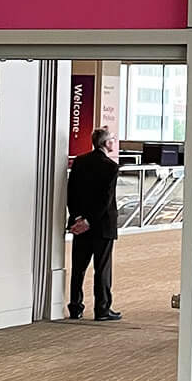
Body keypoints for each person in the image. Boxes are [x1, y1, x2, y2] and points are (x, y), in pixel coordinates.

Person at [66, 126, 122, 321]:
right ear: (106, 143)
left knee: (78, 269)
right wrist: (90, 220)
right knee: (102, 269)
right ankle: (102, 309)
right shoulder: (111, 167)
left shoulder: (79, 162)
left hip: (80, 225)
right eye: (113, 139)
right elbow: (105, 201)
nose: (114, 142)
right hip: (102, 226)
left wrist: (78, 218)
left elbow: (70, 193)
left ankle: (75, 307)